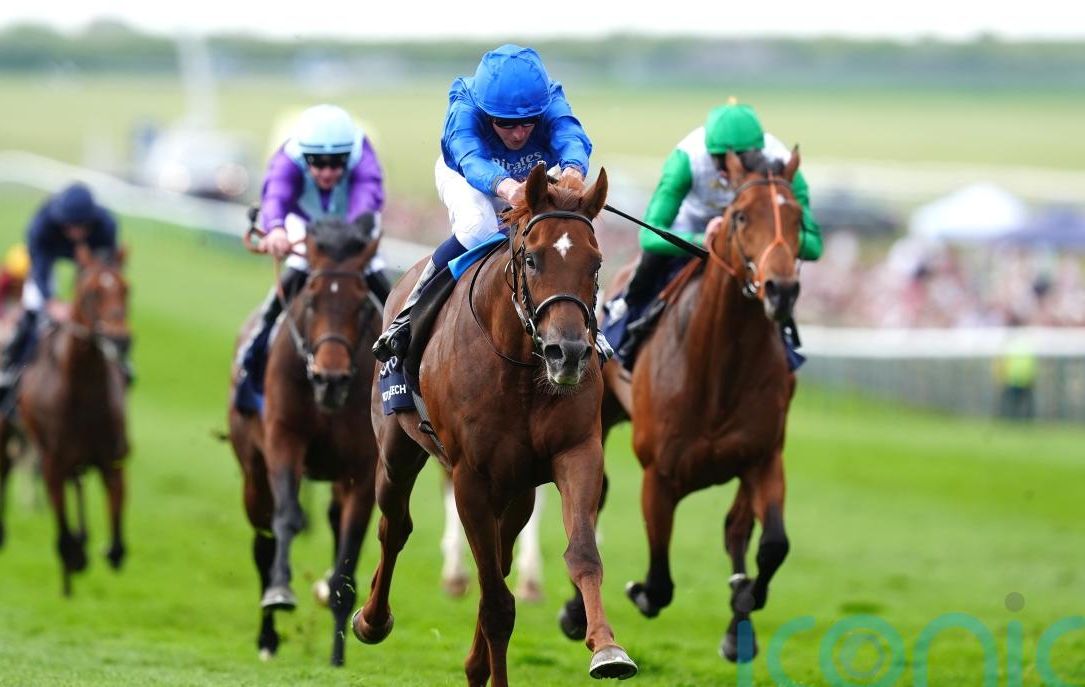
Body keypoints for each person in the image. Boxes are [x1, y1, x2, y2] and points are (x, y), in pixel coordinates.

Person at [373, 43, 601, 362]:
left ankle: (590, 328)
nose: (518, 134)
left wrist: (574, 169)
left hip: (534, 175)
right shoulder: (466, 105)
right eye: (505, 123)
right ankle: (408, 315)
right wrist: (506, 187)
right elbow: (469, 156)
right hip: (467, 174)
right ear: (486, 111)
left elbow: (571, 136)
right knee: (477, 227)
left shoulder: (549, 99)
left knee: (563, 234)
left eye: (528, 122)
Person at [610, 100, 824, 367]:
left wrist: (769, 242)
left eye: (740, 160)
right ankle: (620, 327)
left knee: (778, 279)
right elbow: (649, 235)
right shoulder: (686, 159)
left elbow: (813, 246)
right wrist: (703, 241)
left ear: (757, 152)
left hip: (751, 240)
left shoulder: (782, 165)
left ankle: (786, 350)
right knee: (648, 266)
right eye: (719, 161)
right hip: (690, 230)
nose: (727, 171)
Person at [234, 104, 389, 413]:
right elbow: (276, 196)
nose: (327, 172)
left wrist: (344, 245)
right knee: (289, 281)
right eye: (317, 163)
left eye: (337, 163)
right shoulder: (288, 158)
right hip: (304, 224)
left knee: (387, 294)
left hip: (354, 229)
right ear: (304, 157)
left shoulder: (363, 155)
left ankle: (406, 361)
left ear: (349, 156)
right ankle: (254, 355)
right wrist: (276, 229)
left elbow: (366, 200)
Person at [0, 183, 128, 410]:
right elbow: (40, 268)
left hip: (90, 265)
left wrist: (81, 303)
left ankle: (122, 365)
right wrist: (51, 302)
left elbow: (105, 269)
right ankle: (9, 371)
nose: (75, 232)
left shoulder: (106, 226)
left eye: (81, 225)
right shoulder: (41, 225)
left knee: (104, 311)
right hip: (46, 262)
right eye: (70, 225)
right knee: (33, 312)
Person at [0, 244, 30, 344]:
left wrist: (17, 316)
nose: (18, 283)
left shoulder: (31, 279)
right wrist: (2, 318)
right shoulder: (2, 277)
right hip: (6, 305)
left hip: (20, 306)